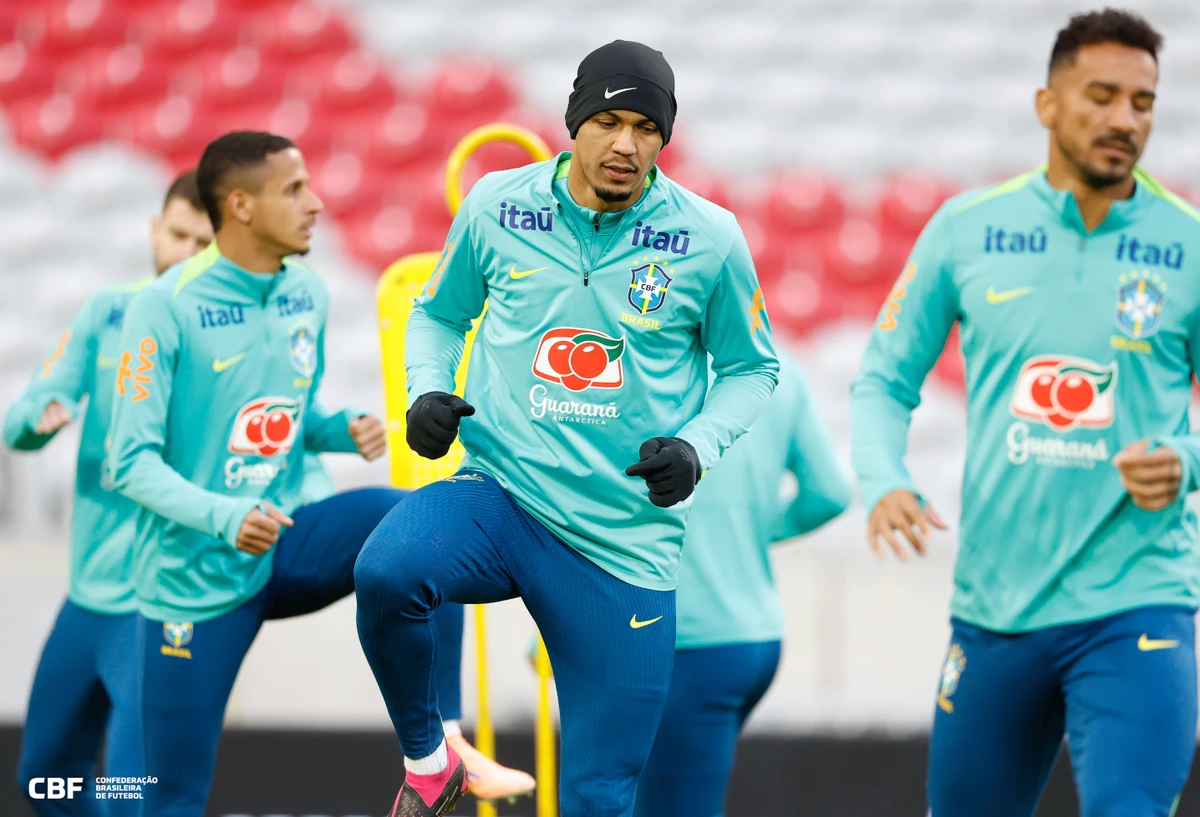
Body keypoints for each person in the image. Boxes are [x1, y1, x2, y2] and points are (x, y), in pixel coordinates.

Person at [354, 39, 779, 817]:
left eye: (647, 127)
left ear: (665, 137)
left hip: (621, 543)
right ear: (574, 121)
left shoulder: (710, 237)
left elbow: (753, 369)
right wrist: (426, 393)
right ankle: (429, 762)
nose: (626, 144)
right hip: (501, 496)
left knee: (598, 795)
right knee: (387, 571)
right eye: (609, 120)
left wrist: (696, 446)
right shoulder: (495, 204)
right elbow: (439, 315)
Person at [850, 10, 1199, 817]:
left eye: (1143, 102)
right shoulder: (968, 229)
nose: (1124, 119)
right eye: (1101, 95)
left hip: (1136, 600)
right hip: (996, 607)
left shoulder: (1187, 246)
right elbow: (882, 379)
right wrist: (882, 477)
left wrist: (1186, 459)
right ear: (1047, 104)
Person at [105, 132, 461, 817]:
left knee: (425, 524)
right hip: (194, 579)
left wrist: (336, 426)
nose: (316, 202)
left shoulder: (306, 291)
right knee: (169, 796)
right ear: (239, 205)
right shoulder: (165, 306)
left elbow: (287, 410)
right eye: (294, 190)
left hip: (287, 537)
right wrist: (226, 514)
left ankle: (436, 749)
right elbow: (128, 463)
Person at [5, 172, 214, 816]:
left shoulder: (225, 335)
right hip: (87, 597)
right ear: (155, 230)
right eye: (178, 234)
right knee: (45, 779)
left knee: (137, 793)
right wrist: (46, 411)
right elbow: (22, 417)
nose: (186, 251)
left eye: (204, 243)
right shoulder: (109, 311)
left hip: (159, 604)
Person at [634, 350, 851, 817]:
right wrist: (748, 528)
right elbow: (830, 493)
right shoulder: (783, 371)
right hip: (754, 640)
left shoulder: (649, 365)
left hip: (682, 646)